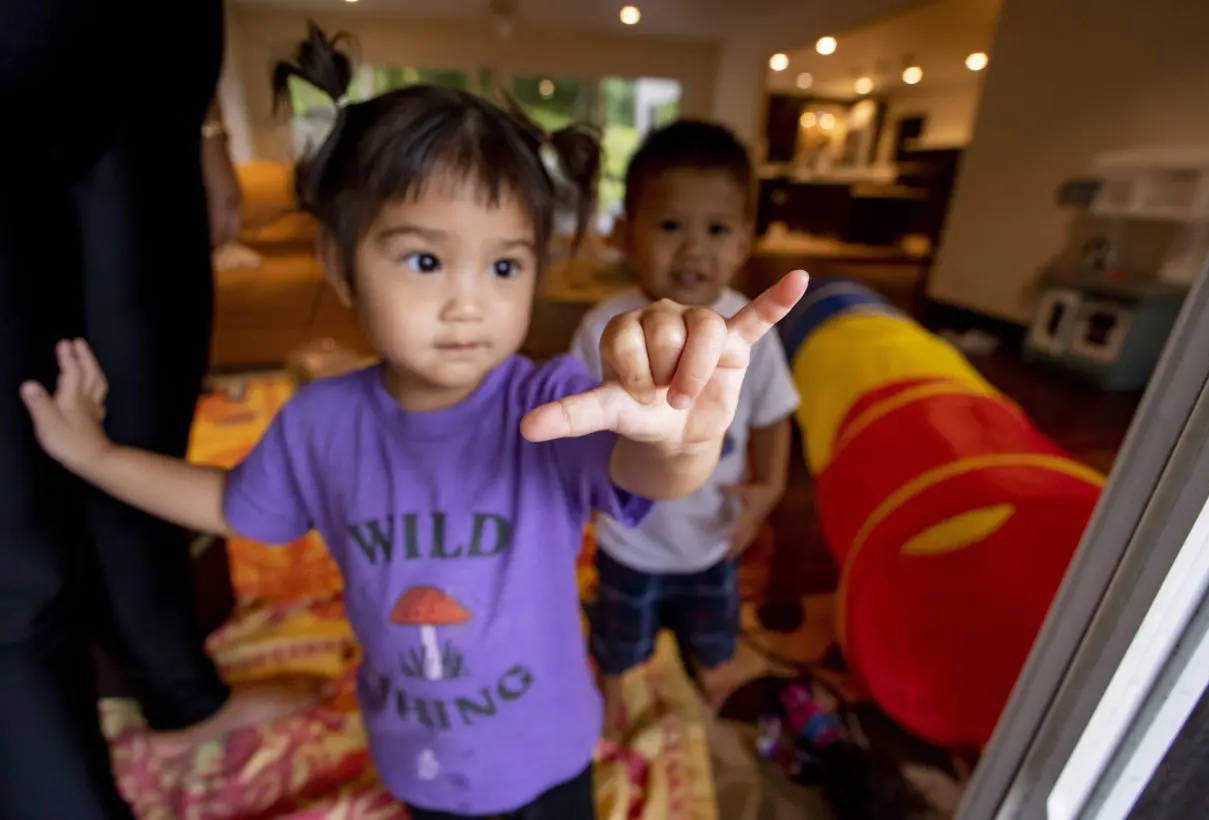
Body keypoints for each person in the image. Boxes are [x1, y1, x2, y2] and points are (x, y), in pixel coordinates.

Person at [19, 23, 809, 820]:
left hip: (554, 750)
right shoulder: (320, 422)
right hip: (416, 759)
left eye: (505, 265)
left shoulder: (550, 400)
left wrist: (683, 437)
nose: (468, 302)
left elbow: (644, 475)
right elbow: (229, 504)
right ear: (339, 262)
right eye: (425, 260)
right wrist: (94, 455)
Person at [0, 4, 316, 817]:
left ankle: (181, 696)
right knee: (17, 537)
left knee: (144, 424)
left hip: (149, 84)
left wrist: (207, 130)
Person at [570, 120, 801, 737]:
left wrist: (769, 491)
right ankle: (614, 685)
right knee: (619, 633)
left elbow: (776, 414)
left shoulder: (753, 329)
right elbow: (578, 428)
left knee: (713, 625)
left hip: (713, 534)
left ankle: (712, 668)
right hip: (629, 540)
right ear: (625, 235)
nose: (694, 249)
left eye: (717, 229)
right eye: (671, 226)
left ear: (744, 243)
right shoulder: (602, 328)